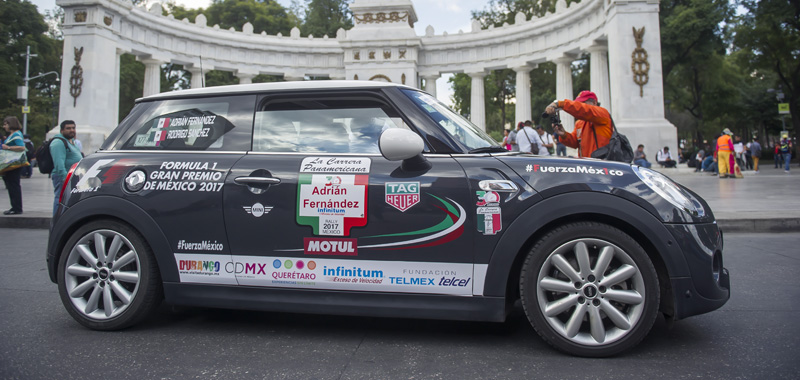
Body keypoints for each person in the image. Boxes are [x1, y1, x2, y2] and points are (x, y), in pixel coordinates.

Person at [545, 90, 612, 158]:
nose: (579, 106)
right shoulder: (579, 123)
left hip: (602, 165)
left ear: (594, 102)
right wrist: (564, 135)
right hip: (585, 165)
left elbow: (584, 110)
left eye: (582, 103)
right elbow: (575, 143)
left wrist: (560, 104)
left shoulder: (603, 113)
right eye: (577, 103)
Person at [50, 120, 83, 214]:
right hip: (63, 177)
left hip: (72, 176)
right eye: (68, 128)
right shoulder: (58, 143)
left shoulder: (71, 141)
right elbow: (58, 163)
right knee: (60, 200)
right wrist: (65, 177)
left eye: (73, 128)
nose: (71, 130)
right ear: (61, 130)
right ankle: (57, 221)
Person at [1, 117, 26, 215]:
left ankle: (16, 208)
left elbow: (22, 147)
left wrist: (8, 147)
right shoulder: (14, 134)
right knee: (12, 185)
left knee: (13, 185)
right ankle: (15, 207)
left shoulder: (16, 134)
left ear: (10, 124)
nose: (4, 126)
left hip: (14, 163)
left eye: (5, 124)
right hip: (12, 163)